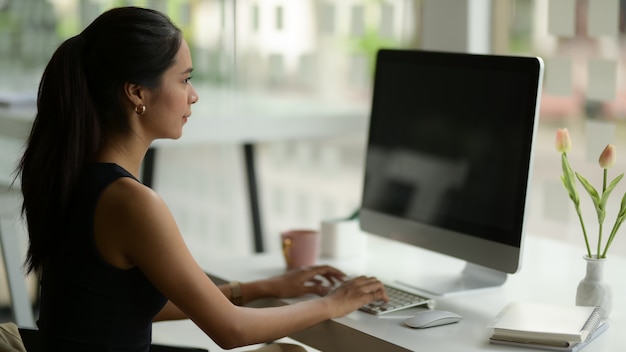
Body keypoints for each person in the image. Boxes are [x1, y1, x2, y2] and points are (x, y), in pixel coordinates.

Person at [16, 6, 388, 352]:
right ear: (136, 92)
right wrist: (334, 303)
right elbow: (232, 331)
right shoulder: (129, 201)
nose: (193, 96)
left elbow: (115, 307)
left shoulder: (71, 174)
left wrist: (262, 288)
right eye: (184, 79)